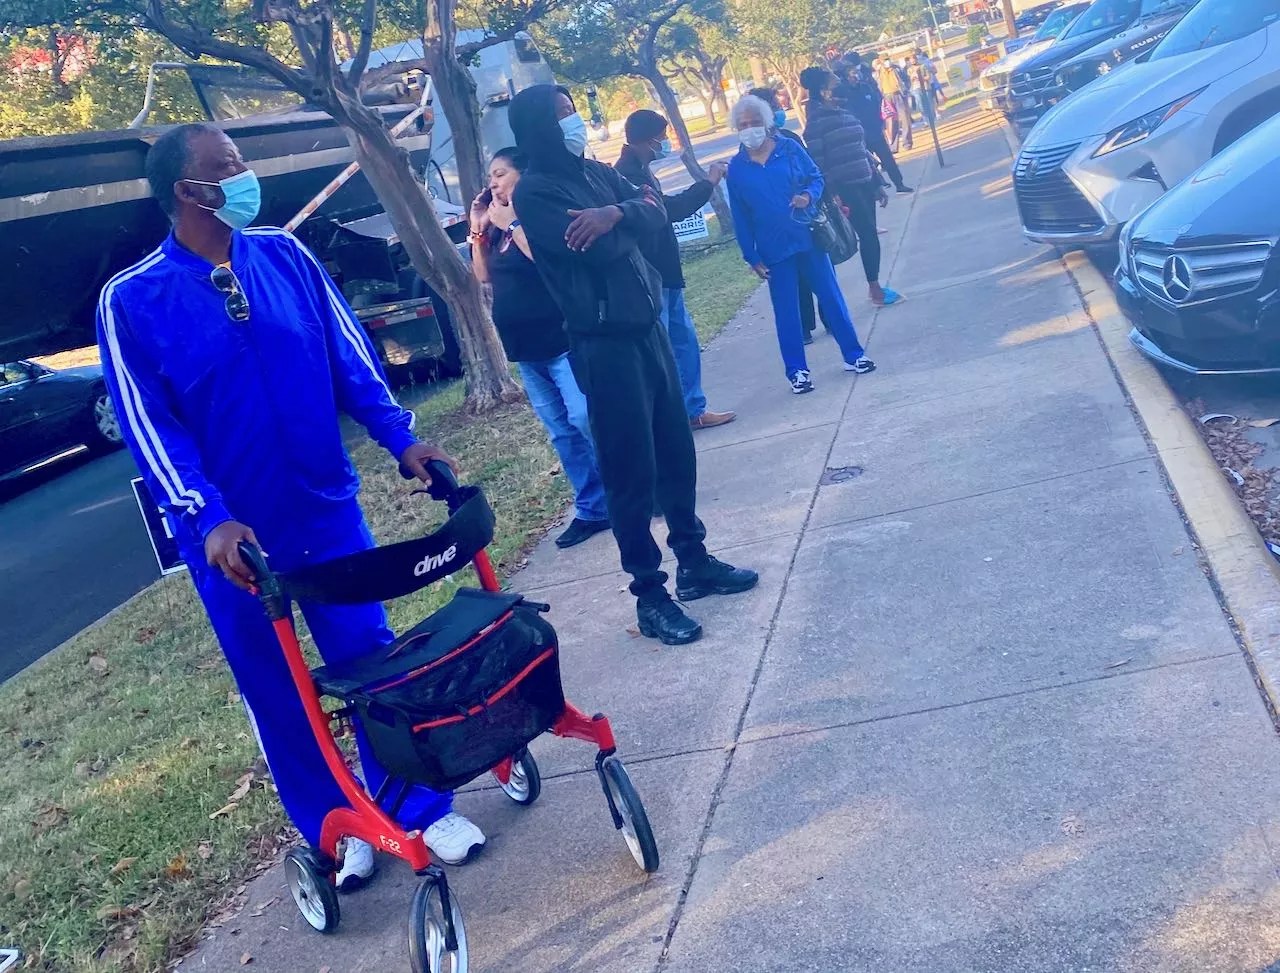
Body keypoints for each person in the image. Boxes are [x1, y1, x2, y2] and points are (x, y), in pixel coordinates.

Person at [96, 124, 487, 886]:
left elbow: (349, 357)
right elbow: (150, 427)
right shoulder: (133, 300)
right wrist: (208, 516)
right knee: (278, 689)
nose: (245, 174)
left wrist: (400, 438)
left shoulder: (283, 255)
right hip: (232, 544)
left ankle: (414, 804)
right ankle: (337, 825)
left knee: (369, 659)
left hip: (323, 509)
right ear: (188, 190)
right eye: (227, 165)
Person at [508, 84, 758, 646]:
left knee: (676, 452)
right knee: (630, 473)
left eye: (573, 110)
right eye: (562, 113)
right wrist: (629, 221)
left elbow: (657, 210)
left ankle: (694, 563)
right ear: (538, 125)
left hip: (649, 332)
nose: (573, 121)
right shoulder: (536, 193)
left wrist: (614, 213)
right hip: (604, 347)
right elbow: (597, 250)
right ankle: (650, 595)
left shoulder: (597, 173)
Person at [468, 148, 611, 549]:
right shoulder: (496, 226)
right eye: (490, 177)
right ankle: (593, 508)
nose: (493, 183)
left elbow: (546, 260)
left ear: (522, 175)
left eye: (500, 174)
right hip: (526, 350)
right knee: (562, 433)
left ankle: (635, 490)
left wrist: (512, 222)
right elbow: (483, 276)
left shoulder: (534, 215)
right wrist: (479, 231)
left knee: (585, 419)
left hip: (561, 341)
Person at [725, 95, 876, 395]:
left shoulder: (789, 149)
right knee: (787, 312)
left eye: (755, 122)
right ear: (737, 128)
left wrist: (808, 195)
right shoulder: (737, 168)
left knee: (831, 298)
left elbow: (815, 177)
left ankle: (854, 355)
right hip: (773, 250)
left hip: (808, 238)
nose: (750, 129)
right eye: (743, 125)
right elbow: (740, 217)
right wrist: (751, 256)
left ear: (766, 123)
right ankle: (797, 372)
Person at [614, 109, 736, 431]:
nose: (665, 143)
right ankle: (670, 420)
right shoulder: (627, 176)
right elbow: (672, 210)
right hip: (652, 277)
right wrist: (708, 183)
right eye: (662, 137)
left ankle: (693, 410)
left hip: (666, 274)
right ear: (648, 140)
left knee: (684, 344)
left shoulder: (641, 170)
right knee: (664, 351)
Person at [799, 66, 903, 309]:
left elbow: (861, 149)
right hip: (845, 188)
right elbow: (817, 163)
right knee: (867, 236)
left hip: (865, 182)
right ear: (823, 91)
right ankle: (875, 290)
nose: (841, 86)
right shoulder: (816, 123)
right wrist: (833, 194)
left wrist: (877, 182)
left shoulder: (844, 113)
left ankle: (875, 286)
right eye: (835, 84)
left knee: (870, 236)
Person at [749, 85, 835, 344]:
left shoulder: (789, 140)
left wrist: (818, 199)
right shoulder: (749, 153)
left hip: (805, 217)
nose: (780, 110)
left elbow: (813, 174)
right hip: (781, 226)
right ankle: (805, 327)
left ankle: (830, 319)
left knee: (820, 273)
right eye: (775, 106)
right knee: (796, 278)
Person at [833, 55, 913, 193]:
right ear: (846, 76)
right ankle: (876, 189)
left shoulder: (865, 88)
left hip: (875, 131)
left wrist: (880, 122)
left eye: (856, 72)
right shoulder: (843, 93)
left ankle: (899, 184)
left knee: (888, 159)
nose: (856, 75)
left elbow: (877, 103)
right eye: (852, 73)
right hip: (859, 136)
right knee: (867, 165)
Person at [874, 54, 913, 151]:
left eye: (887, 59)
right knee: (891, 122)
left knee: (905, 119)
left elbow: (907, 79)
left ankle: (907, 143)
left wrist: (906, 89)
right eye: (884, 60)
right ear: (881, 61)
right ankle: (893, 146)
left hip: (899, 95)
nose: (887, 61)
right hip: (887, 97)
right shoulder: (878, 72)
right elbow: (877, 85)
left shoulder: (897, 69)